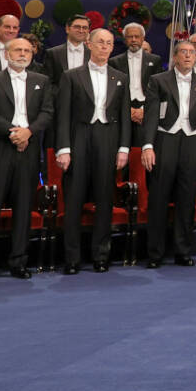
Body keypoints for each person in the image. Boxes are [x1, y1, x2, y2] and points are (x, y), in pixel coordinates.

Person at [0, 40, 53, 281]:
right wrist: (14, 132)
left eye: (27, 51)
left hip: (28, 149)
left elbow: (47, 112)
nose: (23, 54)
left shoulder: (42, 80)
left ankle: (19, 261)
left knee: (24, 206)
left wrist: (28, 132)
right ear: (7, 54)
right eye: (18, 50)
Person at [55, 28, 130, 274]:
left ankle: (101, 255)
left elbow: (124, 117)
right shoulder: (72, 76)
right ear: (89, 44)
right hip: (78, 136)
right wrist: (63, 148)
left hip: (108, 137)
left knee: (104, 199)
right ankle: (72, 258)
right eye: (100, 42)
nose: (105, 47)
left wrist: (123, 148)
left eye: (109, 43)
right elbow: (63, 115)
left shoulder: (120, 77)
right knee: (74, 199)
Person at [141, 42, 196, 268]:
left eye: (192, 53)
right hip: (165, 140)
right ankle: (155, 254)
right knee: (158, 199)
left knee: (186, 200)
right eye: (184, 52)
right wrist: (147, 146)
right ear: (174, 56)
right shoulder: (159, 80)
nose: (188, 56)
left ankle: (183, 251)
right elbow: (152, 115)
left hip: (193, 141)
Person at [110, 22, 161, 134]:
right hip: (123, 106)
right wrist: (128, 110)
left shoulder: (155, 60)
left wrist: (143, 110)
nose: (133, 39)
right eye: (130, 36)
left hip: (146, 107)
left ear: (143, 38)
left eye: (137, 36)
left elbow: (157, 90)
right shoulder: (114, 62)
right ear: (124, 39)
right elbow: (113, 91)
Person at [45, 14, 91, 87]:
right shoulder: (53, 53)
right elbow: (48, 82)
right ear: (67, 29)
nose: (81, 30)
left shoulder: (93, 54)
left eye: (85, 28)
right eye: (77, 27)